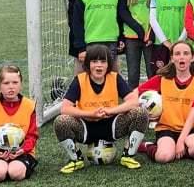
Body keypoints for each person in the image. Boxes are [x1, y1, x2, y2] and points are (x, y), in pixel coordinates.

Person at [54, 44, 148, 173]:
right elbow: (65, 109)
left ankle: (128, 156)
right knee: (61, 121)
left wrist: (110, 111)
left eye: (103, 61)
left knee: (140, 113)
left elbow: (133, 101)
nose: (99, 65)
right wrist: (90, 114)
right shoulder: (80, 80)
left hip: (112, 126)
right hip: (86, 128)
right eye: (94, 61)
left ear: (108, 64)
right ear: (88, 64)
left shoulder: (115, 78)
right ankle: (76, 159)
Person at [136, 41, 194, 163]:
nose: (181, 57)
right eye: (177, 54)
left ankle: (176, 147)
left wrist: (180, 141)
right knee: (164, 157)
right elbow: (135, 93)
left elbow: (193, 115)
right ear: (172, 58)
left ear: (192, 58)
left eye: (186, 53)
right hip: (166, 128)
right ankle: (149, 146)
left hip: (190, 128)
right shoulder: (162, 78)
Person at [72, 0, 144, 66]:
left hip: (111, 42)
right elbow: (77, 24)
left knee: (110, 73)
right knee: (95, 73)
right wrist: (81, 47)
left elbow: (119, 19)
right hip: (92, 42)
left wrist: (120, 38)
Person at [0, 65, 38, 182]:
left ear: (21, 84)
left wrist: (23, 150)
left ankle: (19, 166)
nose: (11, 87)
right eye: (6, 83)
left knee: (15, 173)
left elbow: (32, 136)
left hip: (22, 153)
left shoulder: (29, 106)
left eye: (15, 82)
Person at [123, 0, 160, 89]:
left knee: (153, 73)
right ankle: (132, 106)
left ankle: (155, 101)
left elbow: (160, 12)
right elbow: (123, 11)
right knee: (133, 75)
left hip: (151, 36)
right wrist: (138, 29)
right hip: (132, 36)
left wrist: (152, 33)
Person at [149, 0, 193, 72]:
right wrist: (165, 41)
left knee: (182, 74)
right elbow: (153, 20)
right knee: (161, 76)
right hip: (161, 43)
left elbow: (190, 20)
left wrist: (180, 41)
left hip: (183, 43)